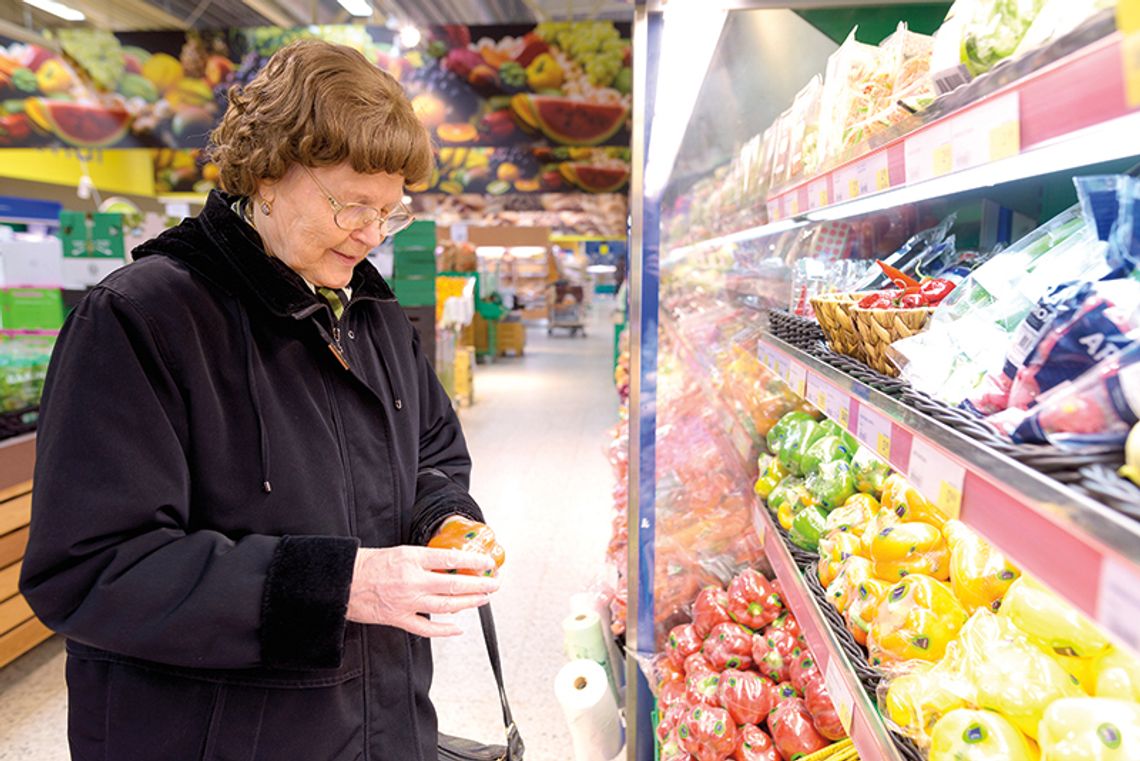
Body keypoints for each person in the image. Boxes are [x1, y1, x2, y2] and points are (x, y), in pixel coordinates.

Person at [19, 39, 504, 761]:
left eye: (391, 213)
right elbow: (90, 569)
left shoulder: (370, 314)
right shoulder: (140, 320)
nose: (372, 235)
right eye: (352, 206)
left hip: (377, 723)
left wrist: (445, 519)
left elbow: (432, 452)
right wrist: (342, 584)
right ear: (270, 172)